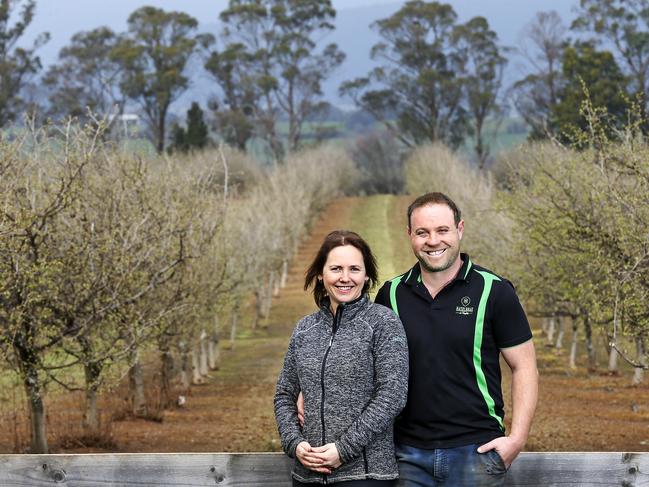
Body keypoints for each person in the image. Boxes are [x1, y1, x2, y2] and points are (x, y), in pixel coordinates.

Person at [374, 192, 538, 487]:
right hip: (406, 456)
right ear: (410, 235)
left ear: (460, 229)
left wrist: (517, 438)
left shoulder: (495, 291)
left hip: (477, 452)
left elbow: (524, 367)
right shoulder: (391, 294)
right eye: (422, 232)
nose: (433, 241)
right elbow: (367, 364)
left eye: (442, 230)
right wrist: (309, 389)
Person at [275, 230, 409, 486]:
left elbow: (392, 396)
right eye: (336, 268)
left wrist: (343, 450)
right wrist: (295, 443)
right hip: (307, 476)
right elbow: (284, 393)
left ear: (366, 275)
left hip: (366, 476)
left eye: (354, 269)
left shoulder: (383, 323)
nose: (345, 278)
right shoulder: (305, 329)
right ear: (320, 274)